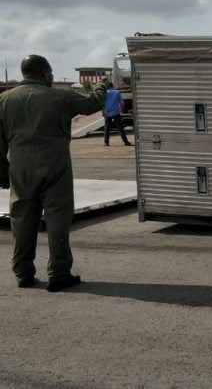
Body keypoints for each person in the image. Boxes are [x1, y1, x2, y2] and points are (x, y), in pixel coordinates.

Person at [0, 55, 108, 291]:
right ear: (45, 74)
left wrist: (2, 167)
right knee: (57, 218)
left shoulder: (4, 100)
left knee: (22, 220)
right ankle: (59, 273)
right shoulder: (60, 96)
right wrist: (103, 85)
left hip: (21, 168)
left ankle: (23, 272)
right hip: (54, 165)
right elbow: (93, 103)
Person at [103, 81, 132, 146]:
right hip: (116, 112)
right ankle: (125, 141)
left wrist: (103, 113)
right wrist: (121, 111)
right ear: (112, 86)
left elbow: (102, 104)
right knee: (120, 128)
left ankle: (106, 142)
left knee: (107, 128)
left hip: (107, 113)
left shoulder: (105, 93)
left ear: (107, 87)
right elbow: (122, 103)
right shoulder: (117, 92)